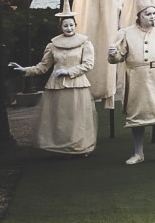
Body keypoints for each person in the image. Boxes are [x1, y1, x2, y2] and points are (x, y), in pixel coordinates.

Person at [8, 9, 97, 156]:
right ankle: (60, 147)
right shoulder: (53, 45)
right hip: (57, 86)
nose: (69, 28)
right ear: (60, 27)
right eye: (65, 26)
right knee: (59, 117)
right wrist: (24, 70)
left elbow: (88, 64)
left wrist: (69, 71)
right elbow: (43, 66)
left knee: (77, 117)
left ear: (75, 25)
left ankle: (81, 146)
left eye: (71, 25)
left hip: (77, 86)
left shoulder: (85, 43)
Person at [109, 3, 155, 165]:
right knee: (137, 115)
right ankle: (138, 153)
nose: (152, 16)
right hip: (137, 78)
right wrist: (113, 55)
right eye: (148, 14)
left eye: (154, 13)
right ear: (139, 16)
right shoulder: (126, 33)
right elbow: (118, 58)